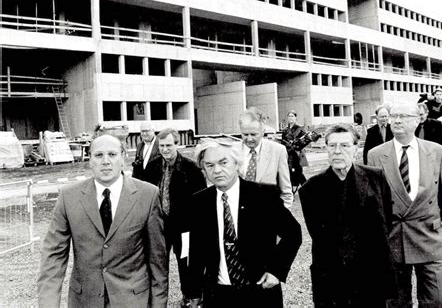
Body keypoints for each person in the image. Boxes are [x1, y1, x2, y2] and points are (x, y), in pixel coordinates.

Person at [38, 134, 168, 308]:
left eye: (112, 155)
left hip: (133, 301)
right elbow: (53, 257)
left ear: (123, 158)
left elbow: (157, 261)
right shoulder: (68, 196)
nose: (105, 161)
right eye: (98, 155)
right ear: (89, 160)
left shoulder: (148, 195)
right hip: (85, 301)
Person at [188, 138, 302, 307]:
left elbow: (293, 233)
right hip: (218, 295)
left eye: (223, 162)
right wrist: (194, 291)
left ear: (236, 163)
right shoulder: (199, 202)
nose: (217, 170)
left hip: (259, 291)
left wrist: (276, 271)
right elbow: (196, 250)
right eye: (210, 165)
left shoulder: (263, 195)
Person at [368, 103, 442, 307]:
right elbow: (372, 202)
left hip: (430, 237)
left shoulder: (436, 151)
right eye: (394, 116)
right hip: (393, 239)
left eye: (403, 116)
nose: (397, 120)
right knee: (395, 301)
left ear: (417, 120)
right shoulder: (375, 155)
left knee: (437, 300)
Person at [299, 124, 396, 306]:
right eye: (332, 145)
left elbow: (386, 221)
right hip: (332, 275)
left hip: (370, 272)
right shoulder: (311, 189)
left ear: (356, 148)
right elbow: (318, 235)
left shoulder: (376, 178)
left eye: (344, 146)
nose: (337, 151)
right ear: (326, 148)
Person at [148, 128, 207, 306]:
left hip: (184, 227)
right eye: (161, 146)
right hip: (160, 226)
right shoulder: (153, 166)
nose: (165, 149)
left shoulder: (192, 169)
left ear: (177, 144)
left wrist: (196, 227)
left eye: (168, 145)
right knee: (158, 264)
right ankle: (157, 300)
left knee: (186, 264)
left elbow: (201, 201)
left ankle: (189, 297)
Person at [238, 108, 293, 208]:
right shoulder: (231, 151)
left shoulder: (278, 151)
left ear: (263, 132)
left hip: (267, 215)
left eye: (254, 134)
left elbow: (286, 192)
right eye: (245, 134)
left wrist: (281, 216)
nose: (249, 139)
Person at [281, 110, 319, 191]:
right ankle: (302, 189)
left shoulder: (299, 129)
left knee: (297, 172)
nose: (290, 118)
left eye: (292, 116)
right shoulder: (285, 130)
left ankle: (302, 189)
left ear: (295, 118)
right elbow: (282, 141)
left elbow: (306, 140)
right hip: (287, 153)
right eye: (289, 116)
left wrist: (298, 144)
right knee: (291, 172)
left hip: (297, 154)